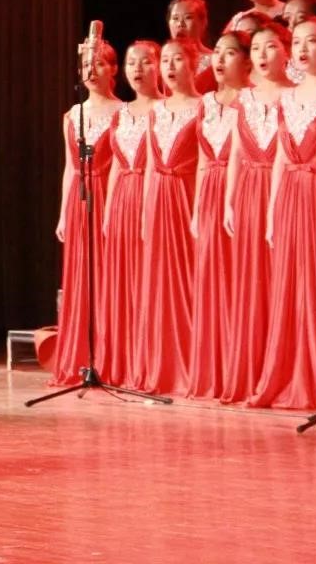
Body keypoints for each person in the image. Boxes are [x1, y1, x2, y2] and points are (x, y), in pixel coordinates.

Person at [253, 17, 316, 410]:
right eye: (298, 42)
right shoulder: (287, 98)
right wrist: (272, 212)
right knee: (290, 284)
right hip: (290, 196)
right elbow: (279, 157)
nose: (303, 49)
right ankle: (291, 372)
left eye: (313, 41)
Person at [221, 22, 294, 404]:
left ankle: (282, 364)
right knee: (251, 279)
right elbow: (235, 151)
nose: (263, 55)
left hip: (284, 190)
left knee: (281, 277)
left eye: (271, 47)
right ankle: (251, 366)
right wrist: (229, 199)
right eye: (257, 48)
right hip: (249, 191)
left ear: (286, 51)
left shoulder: (295, 96)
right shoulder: (244, 99)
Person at [52, 37, 121, 385]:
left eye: (100, 64)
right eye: (85, 66)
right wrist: (63, 213)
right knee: (81, 276)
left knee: (108, 274)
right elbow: (70, 166)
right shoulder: (72, 116)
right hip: (79, 199)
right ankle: (82, 354)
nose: (91, 72)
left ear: (113, 70)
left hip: (109, 194)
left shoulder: (124, 112)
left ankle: (111, 354)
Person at [135, 37, 201, 394]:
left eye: (178, 59)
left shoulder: (204, 106)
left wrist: (200, 207)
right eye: (166, 61)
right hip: (159, 199)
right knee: (159, 283)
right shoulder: (155, 110)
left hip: (187, 197)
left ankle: (192, 364)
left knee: (189, 280)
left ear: (194, 64)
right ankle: (161, 365)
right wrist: (146, 209)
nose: (170, 67)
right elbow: (148, 165)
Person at [187, 32, 250, 399]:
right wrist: (197, 208)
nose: (220, 60)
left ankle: (239, 364)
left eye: (230, 54)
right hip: (210, 191)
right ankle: (215, 366)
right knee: (212, 278)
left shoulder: (252, 100)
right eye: (218, 53)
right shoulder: (206, 102)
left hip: (241, 188)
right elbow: (200, 159)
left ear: (246, 60)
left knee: (239, 278)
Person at [97, 41, 162, 388]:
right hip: (122, 199)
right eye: (131, 62)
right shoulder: (120, 114)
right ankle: (123, 360)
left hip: (155, 199)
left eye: (146, 62)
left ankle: (152, 360)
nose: (137, 69)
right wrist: (109, 210)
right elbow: (114, 166)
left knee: (151, 280)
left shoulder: (166, 109)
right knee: (124, 282)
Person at [166, 0, 216, 94]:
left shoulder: (215, 60)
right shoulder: (164, 61)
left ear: (203, 23)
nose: (180, 24)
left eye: (188, 17)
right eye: (175, 18)